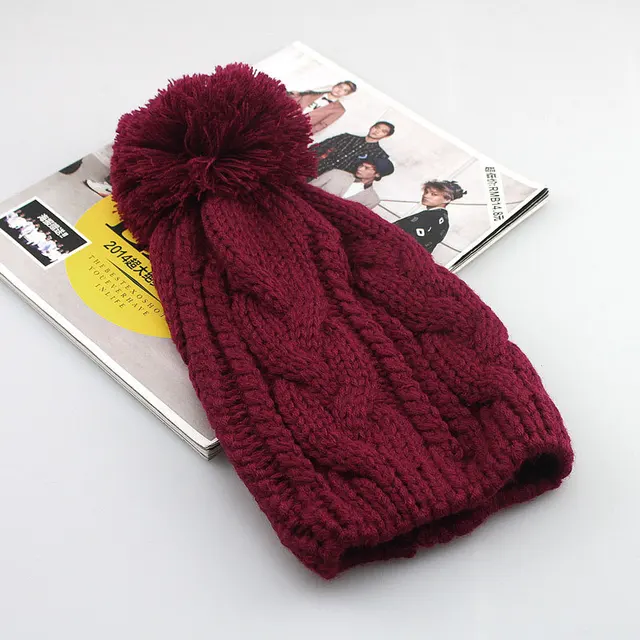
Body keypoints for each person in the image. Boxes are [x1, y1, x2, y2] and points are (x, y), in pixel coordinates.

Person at [394, 180, 467, 254]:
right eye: (426, 192)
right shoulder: (436, 216)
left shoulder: (435, 217)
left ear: (447, 199)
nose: (426, 196)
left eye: (434, 194)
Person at [310, 121, 395, 176]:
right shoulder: (346, 137)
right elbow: (319, 147)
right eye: (377, 127)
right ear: (371, 127)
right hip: (315, 167)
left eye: (383, 131)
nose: (377, 131)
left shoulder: (379, 155)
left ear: (386, 136)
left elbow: (367, 175)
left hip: (335, 179)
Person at [310, 157, 394, 209]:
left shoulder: (372, 200)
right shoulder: (335, 173)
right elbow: (307, 188)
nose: (360, 169)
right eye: (361, 165)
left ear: (377, 174)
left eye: (366, 168)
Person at [288, 81, 357, 134]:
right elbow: (293, 100)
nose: (339, 90)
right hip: (285, 118)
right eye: (340, 87)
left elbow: (323, 124)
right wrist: (293, 94)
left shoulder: (339, 110)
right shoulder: (312, 93)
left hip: (298, 130)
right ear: (334, 86)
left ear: (346, 94)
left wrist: (305, 133)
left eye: (345, 90)